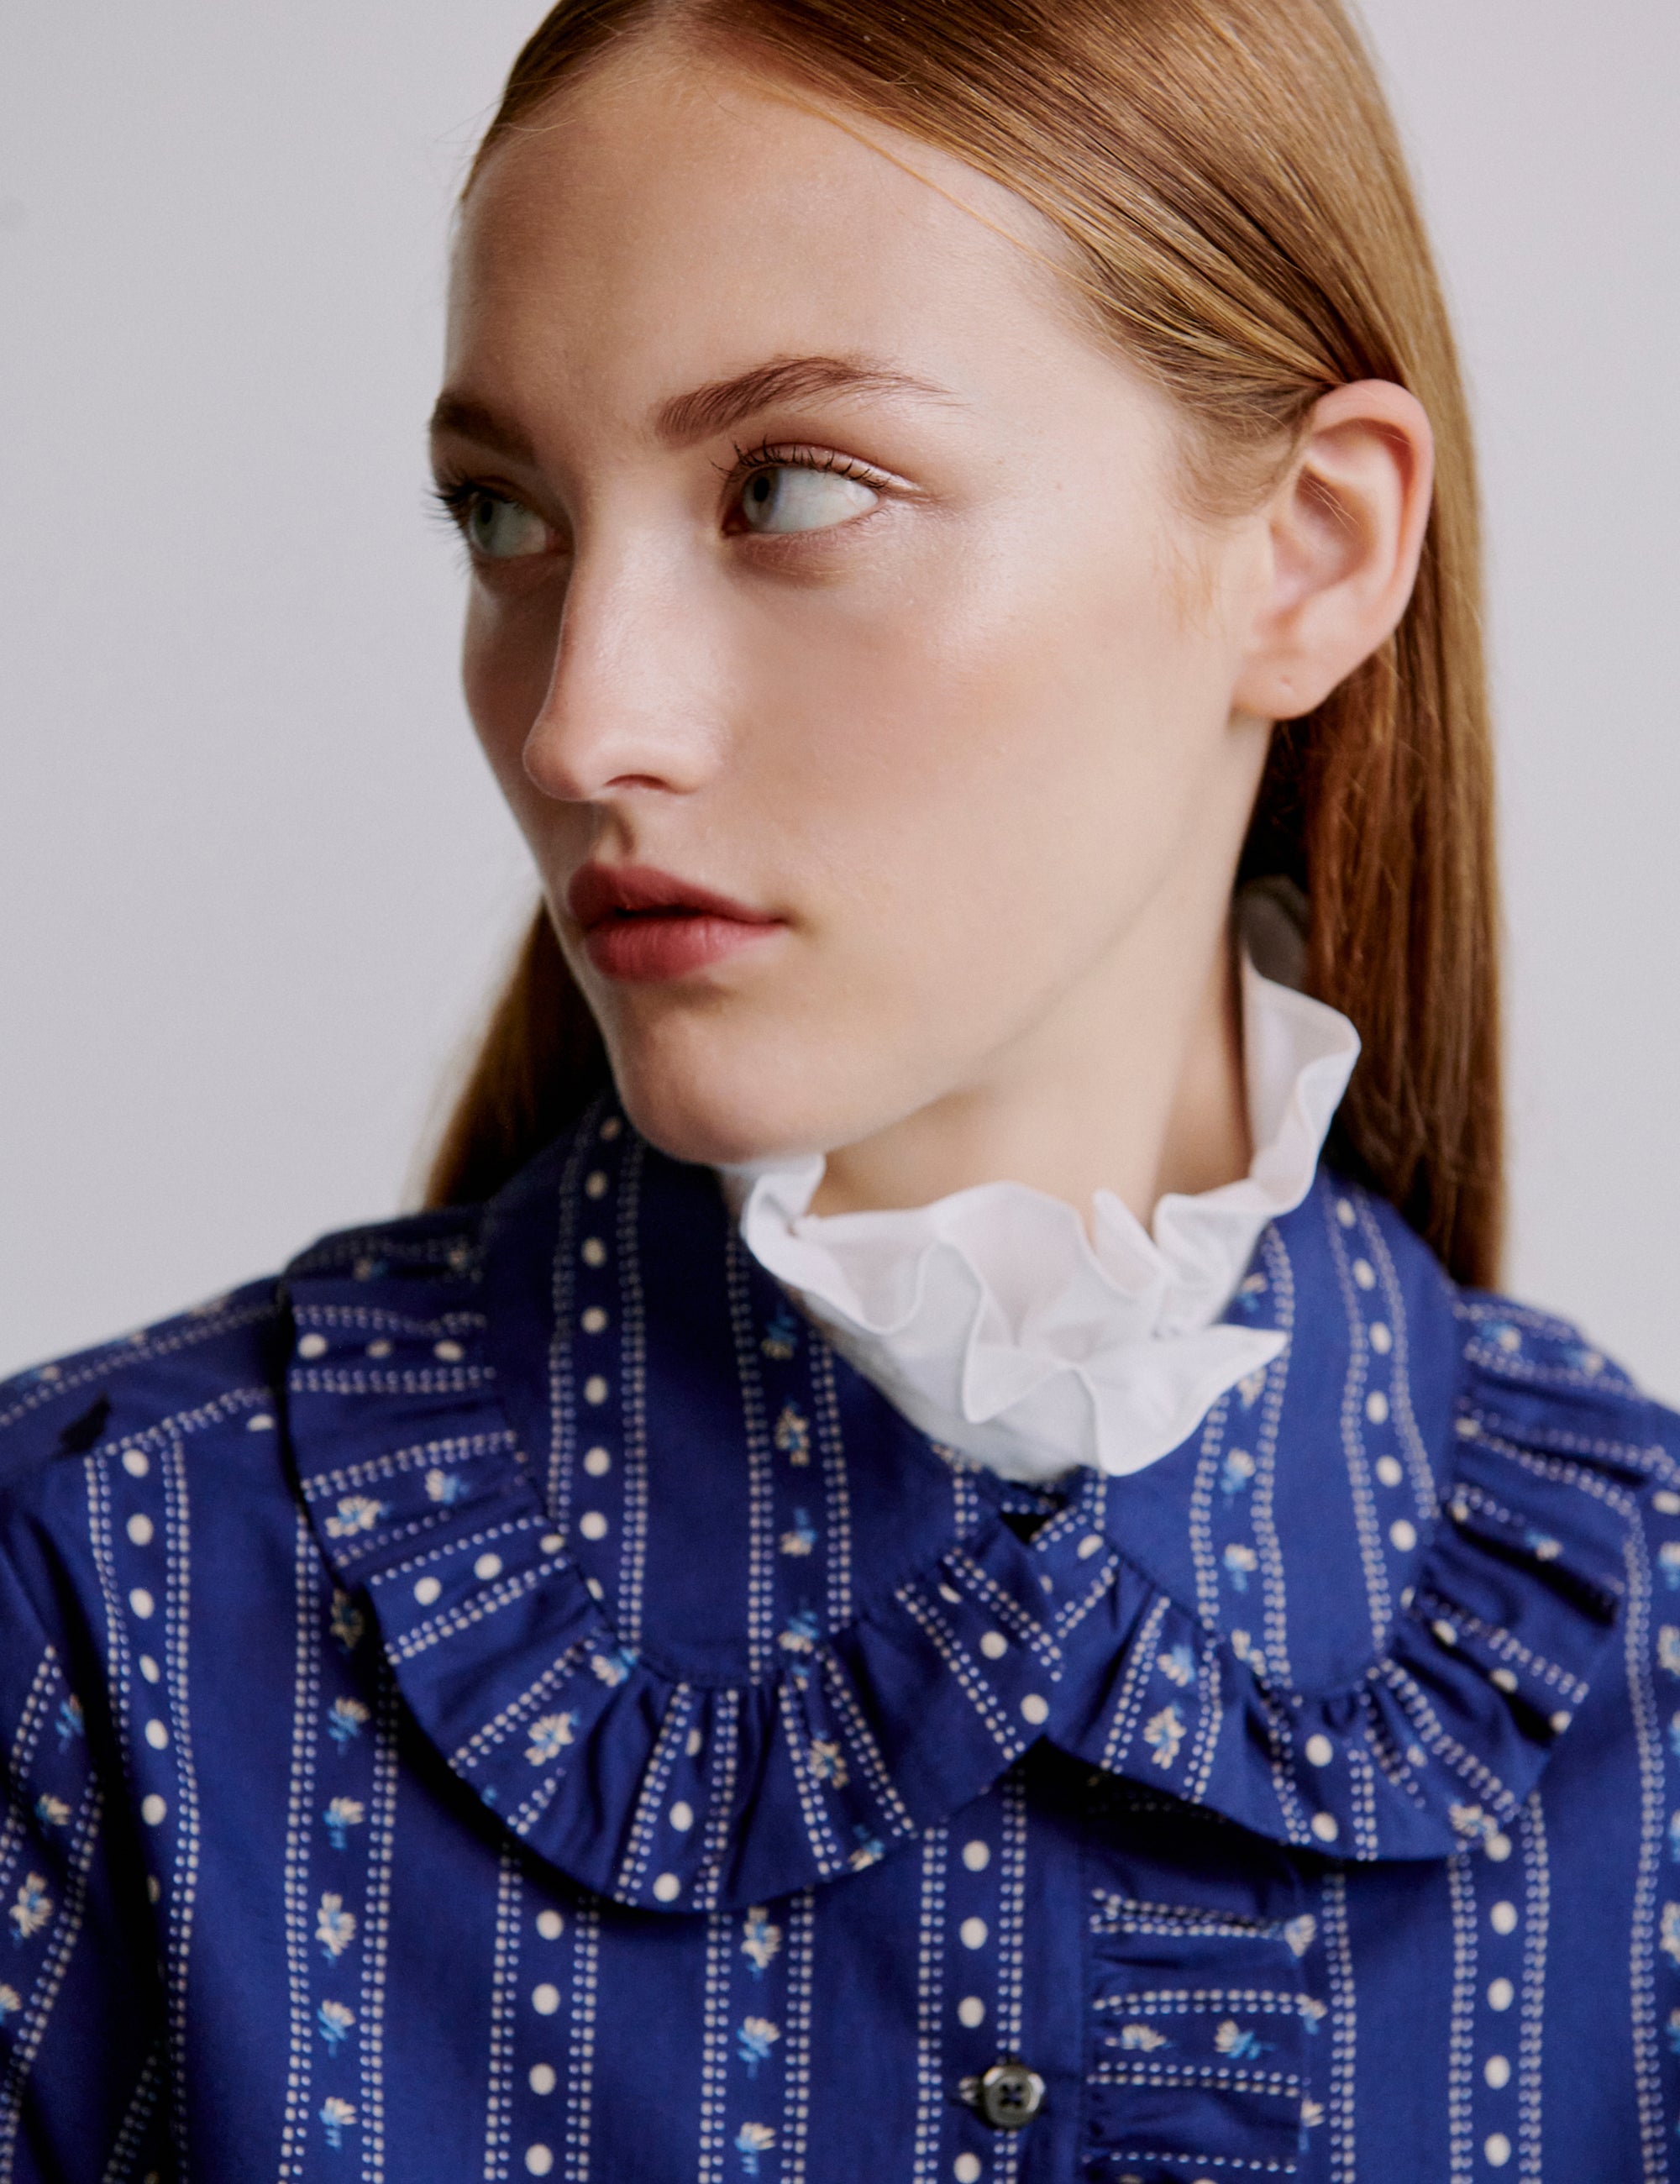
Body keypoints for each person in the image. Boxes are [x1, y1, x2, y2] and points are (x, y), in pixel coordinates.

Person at [1, 0, 1672, 2176]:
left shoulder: (1639, 1664)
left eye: (789, 490)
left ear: (1314, 548)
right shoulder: (102, 1607)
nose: (581, 722)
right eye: (505, 516)